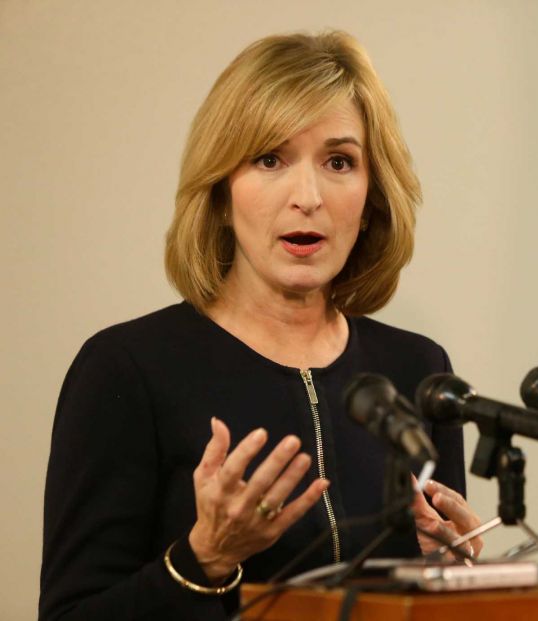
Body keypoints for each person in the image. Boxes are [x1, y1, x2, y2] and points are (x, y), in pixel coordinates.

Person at [40, 31, 481, 620]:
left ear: (372, 194)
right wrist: (205, 559)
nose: (308, 196)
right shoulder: (127, 369)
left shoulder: (418, 371)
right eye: (270, 159)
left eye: (339, 162)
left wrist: (447, 579)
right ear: (222, 192)